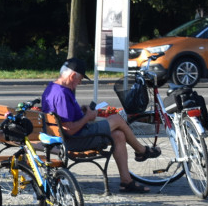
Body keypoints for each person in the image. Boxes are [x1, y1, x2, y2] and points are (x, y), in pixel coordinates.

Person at [40, 58, 160, 194]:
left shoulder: (53, 88)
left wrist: (81, 111)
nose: (79, 83)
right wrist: (88, 117)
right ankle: (142, 151)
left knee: (118, 135)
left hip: (67, 137)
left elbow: (65, 118)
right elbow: (70, 129)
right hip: (75, 140)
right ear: (73, 76)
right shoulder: (62, 94)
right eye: (80, 80)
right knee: (117, 119)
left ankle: (126, 182)